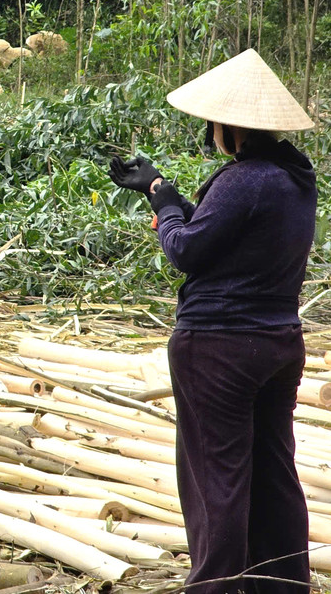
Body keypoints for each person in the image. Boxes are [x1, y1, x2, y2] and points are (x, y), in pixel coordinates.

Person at [109, 49, 316, 594]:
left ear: (230, 125)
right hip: (278, 342)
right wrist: (164, 193)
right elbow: (233, 239)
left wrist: (168, 208)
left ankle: (216, 587)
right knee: (274, 473)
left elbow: (187, 251)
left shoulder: (244, 180)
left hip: (220, 347)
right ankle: (283, 584)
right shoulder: (296, 176)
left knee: (216, 480)